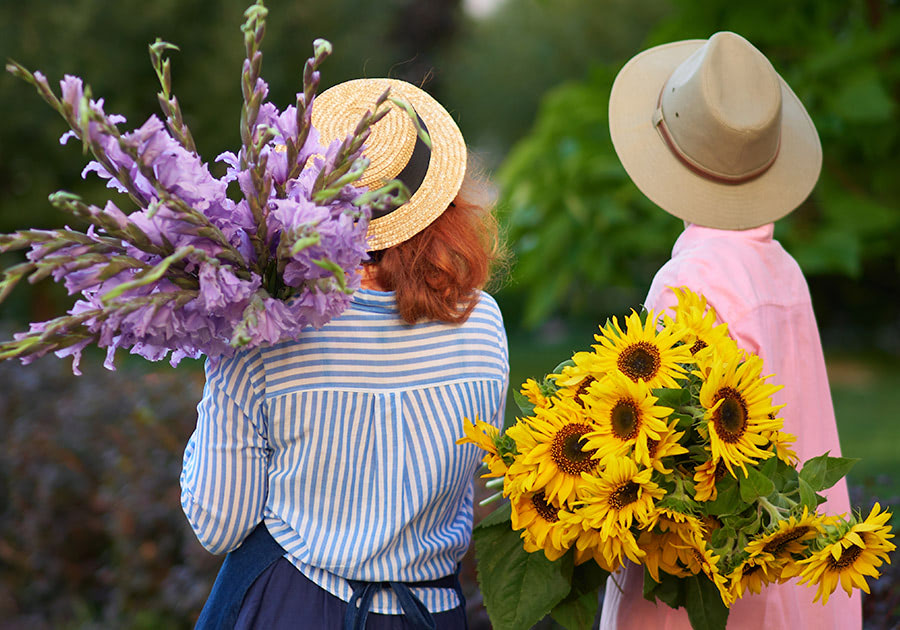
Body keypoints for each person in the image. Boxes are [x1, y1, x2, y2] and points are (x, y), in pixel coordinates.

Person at [180, 78, 509, 629]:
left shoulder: (268, 332)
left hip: (295, 606)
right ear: (437, 199)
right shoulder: (482, 322)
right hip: (430, 612)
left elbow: (218, 521)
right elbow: (475, 481)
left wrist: (221, 354)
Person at [599, 32, 862, 629]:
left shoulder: (688, 279)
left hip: (710, 592)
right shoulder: (782, 268)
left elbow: (662, 450)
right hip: (798, 576)